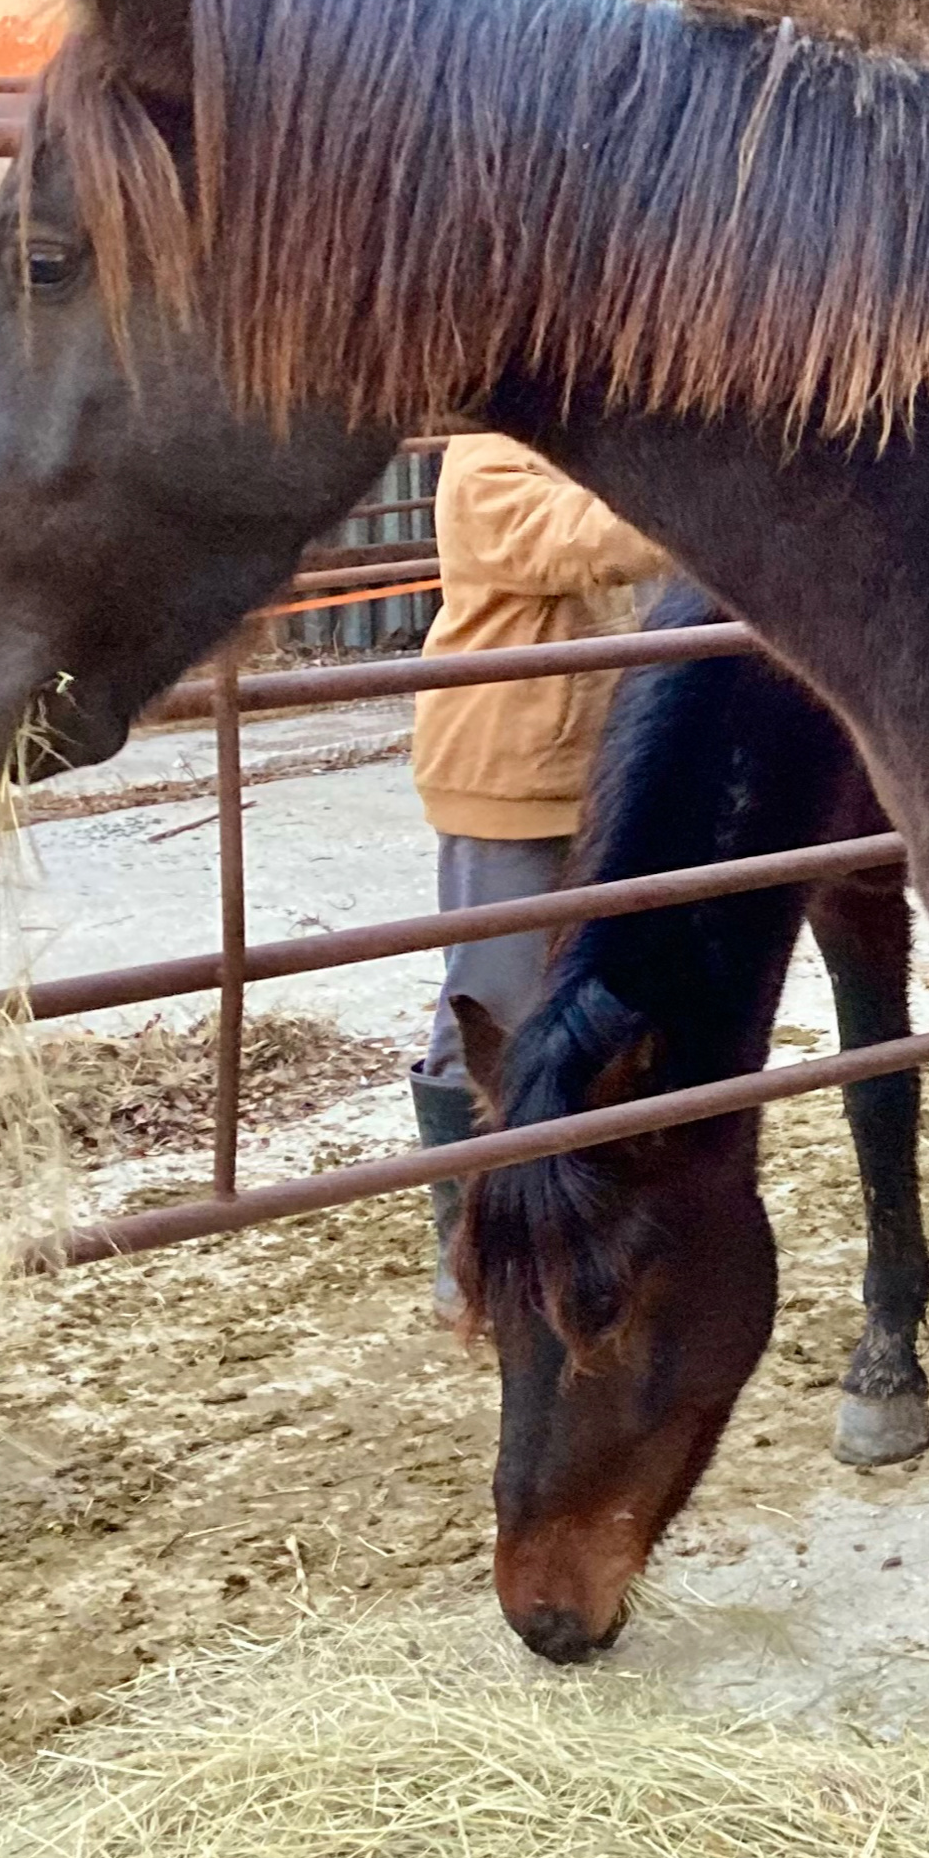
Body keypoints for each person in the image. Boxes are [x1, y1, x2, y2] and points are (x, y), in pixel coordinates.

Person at [409, 434, 668, 1311]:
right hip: (503, 774)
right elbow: (578, 540)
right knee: (488, 1009)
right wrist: (704, 500)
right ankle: (468, 1233)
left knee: (590, 1004)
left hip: (593, 779)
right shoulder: (483, 461)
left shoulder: (580, 446)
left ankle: (579, 1209)